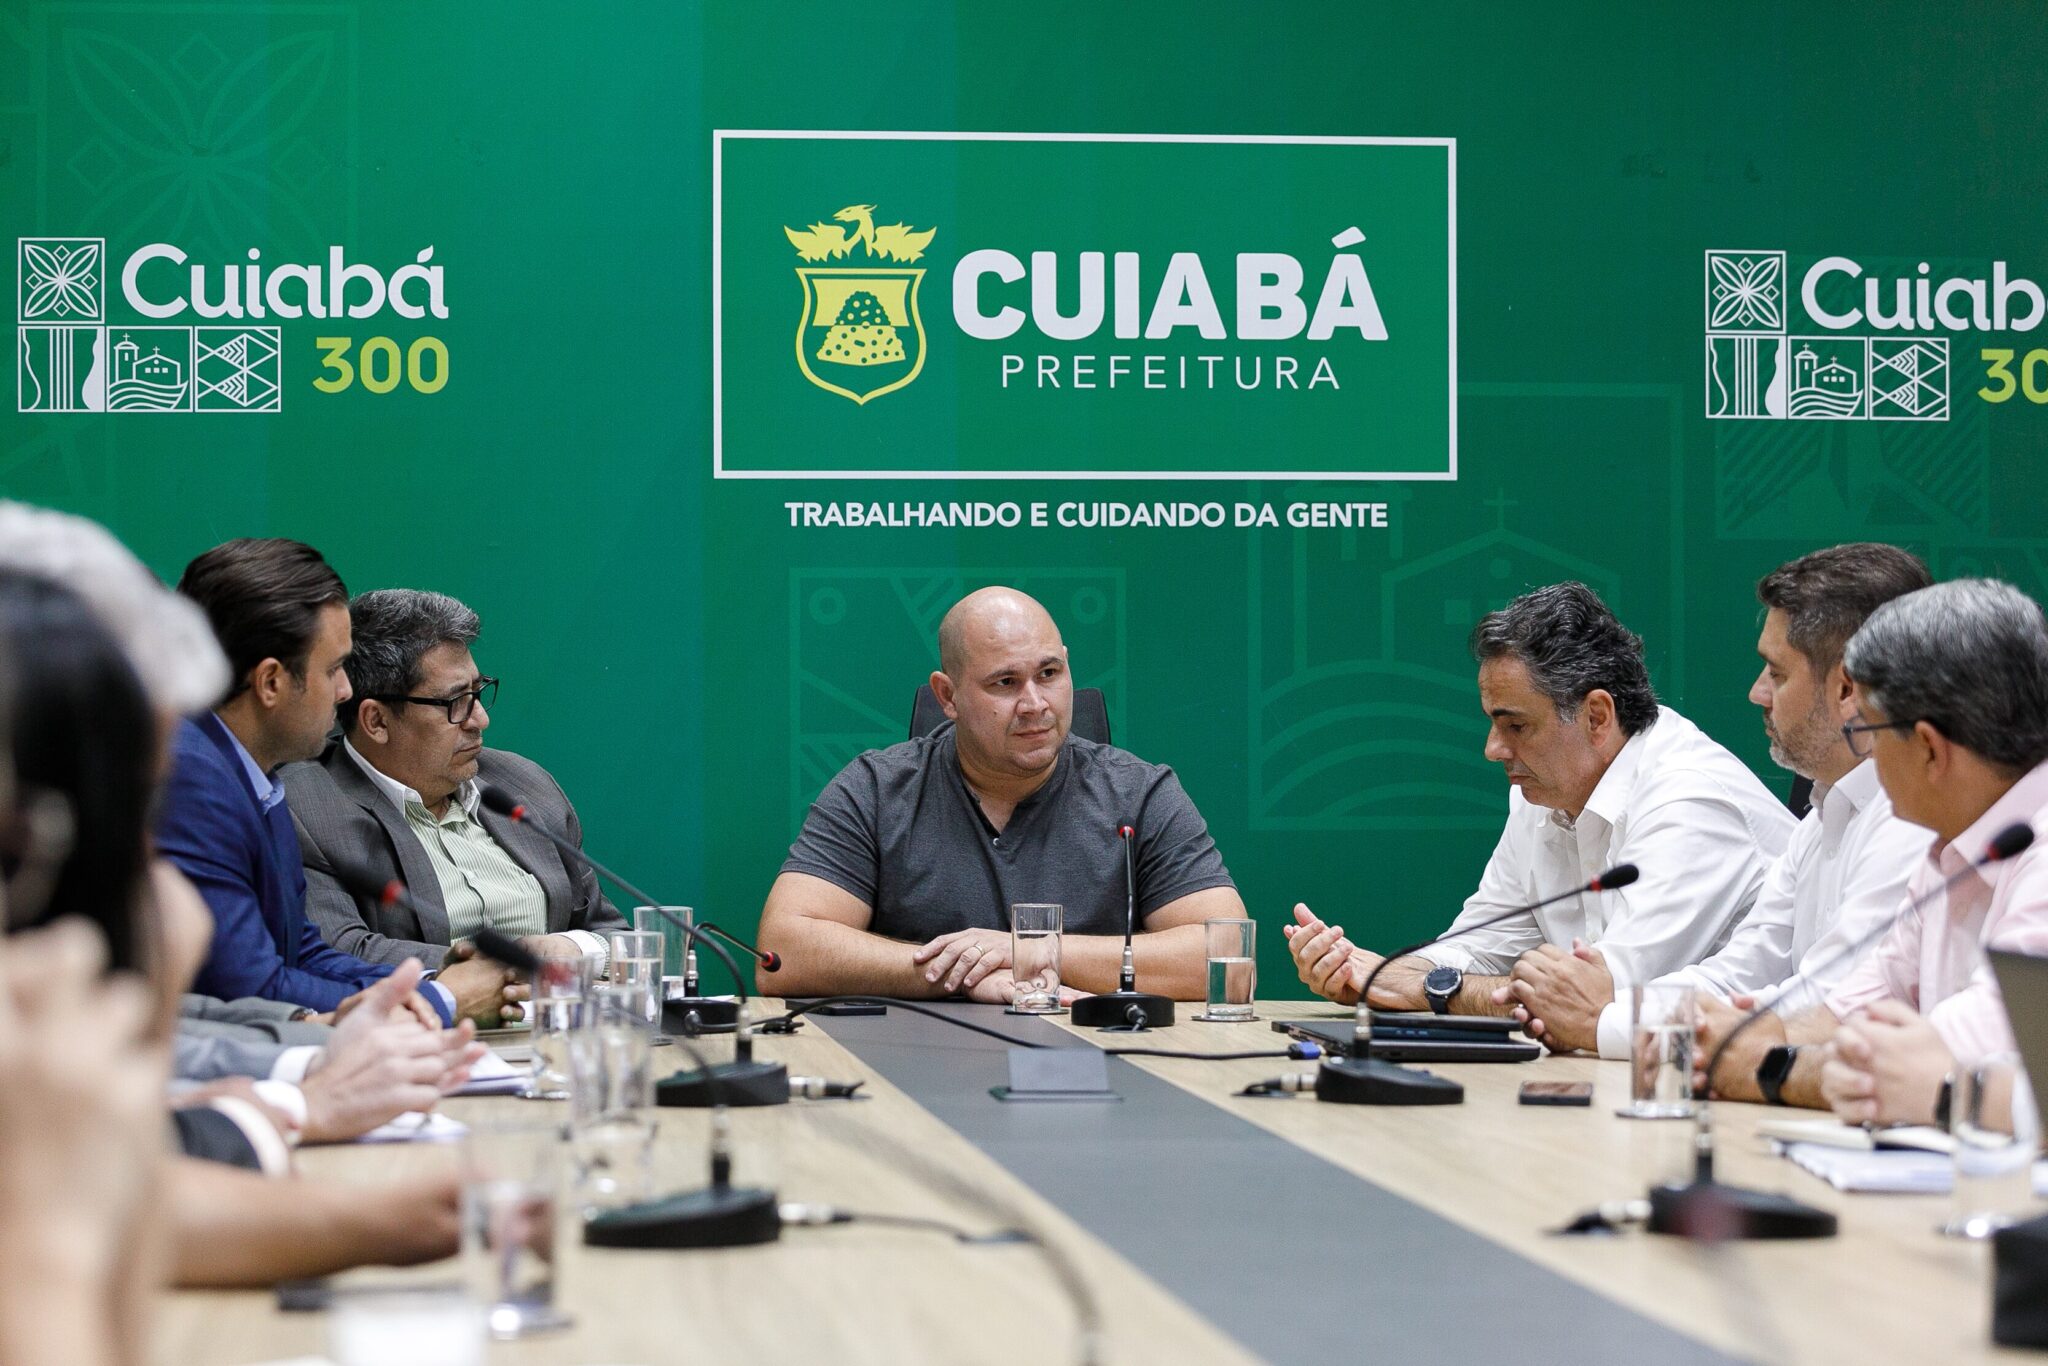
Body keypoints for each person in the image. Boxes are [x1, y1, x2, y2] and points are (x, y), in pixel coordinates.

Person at [1287, 581, 1795, 1015]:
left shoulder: (1689, 802)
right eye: (1493, 723)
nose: (1493, 749)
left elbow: (1598, 998)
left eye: (1516, 726)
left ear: (1597, 716)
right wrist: (1372, 975)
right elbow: (1482, 945)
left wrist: (1427, 988)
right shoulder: (1543, 794)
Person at [1502, 545, 1932, 1056]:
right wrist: (1612, 1011)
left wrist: (1604, 1022)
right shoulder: (1823, 816)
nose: (1757, 693)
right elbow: (1738, 973)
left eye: (1776, 673)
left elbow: (1827, 1008)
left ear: (1846, 689)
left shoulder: (1911, 821)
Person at [758, 586, 1243, 1002]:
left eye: (1049, 674)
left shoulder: (1140, 794)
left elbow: (1230, 959)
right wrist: (965, 975)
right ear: (947, 696)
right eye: (1006, 682)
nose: (1035, 704)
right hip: (916, 1060)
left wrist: (1031, 950)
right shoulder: (877, 789)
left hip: (1098, 1057)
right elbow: (782, 953)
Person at [1699, 579, 2048, 1108]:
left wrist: (1770, 1067)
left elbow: (1942, 1063)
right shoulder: (1950, 850)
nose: (1866, 756)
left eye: (1870, 732)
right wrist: (1748, 1040)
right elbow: (1847, 1012)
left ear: (1929, 748)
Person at [158, 538, 512, 1025]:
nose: (346, 691)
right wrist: (444, 1002)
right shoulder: (190, 782)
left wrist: (433, 981)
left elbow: (303, 953)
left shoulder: (251, 771)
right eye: (333, 669)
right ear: (271, 682)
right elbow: (252, 987)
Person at [284, 589, 625, 993]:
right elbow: (340, 951)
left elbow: (611, 932)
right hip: (433, 1024)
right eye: (456, 702)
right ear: (376, 721)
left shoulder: (524, 785)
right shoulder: (304, 807)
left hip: (564, 1021)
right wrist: (505, 966)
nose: (479, 719)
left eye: (478, 693)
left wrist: (575, 948)